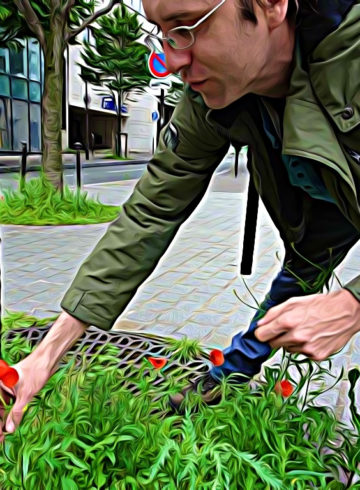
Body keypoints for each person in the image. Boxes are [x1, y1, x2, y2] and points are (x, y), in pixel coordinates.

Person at [1, 0, 360, 438]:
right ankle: (225, 378)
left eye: (187, 28)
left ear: (271, 6)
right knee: (288, 296)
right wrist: (45, 355)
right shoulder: (212, 96)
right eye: (162, 34)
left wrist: (351, 305)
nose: (172, 60)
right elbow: (152, 208)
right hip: (319, 221)